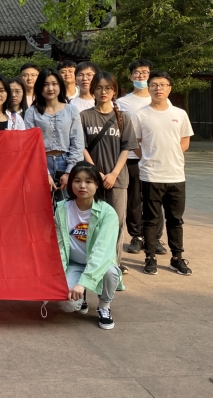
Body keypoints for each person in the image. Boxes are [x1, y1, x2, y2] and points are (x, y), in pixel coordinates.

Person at [133, 71, 194, 276]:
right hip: (151, 175)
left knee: (175, 219)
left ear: (170, 88)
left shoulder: (180, 114)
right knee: (151, 219)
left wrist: (171, 155)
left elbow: (185, 141)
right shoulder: (140, 115)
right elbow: (135, 143)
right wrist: (147, 158)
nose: (158, 88)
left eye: (163, 85)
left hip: (176, 174)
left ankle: (177, 258)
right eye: (154, 85)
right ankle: (150, 257)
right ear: (148, 88)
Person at [80, 72, 138, 272]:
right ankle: (93, 262)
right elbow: (82, 147)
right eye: (99, 87)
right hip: (91, 179)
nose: (103, 92)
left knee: (116, 222)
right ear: (93, 90)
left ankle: (113, 264)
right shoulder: (84, 116)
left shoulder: (123, 118)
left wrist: (113, 174)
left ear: (115, 91)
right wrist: (95, 172)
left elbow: (126, 148)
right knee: (91, 221)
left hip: (117, 179)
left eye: (108, 88)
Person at [53, 161, 120, 330]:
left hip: (100, 263)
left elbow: (102, 251)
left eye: (88, 181)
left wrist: (83, 283)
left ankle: (104, 306)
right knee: (67, 304)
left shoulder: (108, 213)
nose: (82, 186)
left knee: (110, 271)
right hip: (73, 263)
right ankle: (80, 299)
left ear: (97, 185)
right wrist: (55, 278)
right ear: (71, 184)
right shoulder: (62, 209)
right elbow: (58, 245)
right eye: (77, 181)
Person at [118, 59, 166, 256]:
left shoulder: (161, 99)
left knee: (154, 199)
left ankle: (154, 237)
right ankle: (136, 236)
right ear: (131, 77)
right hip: (131, 157)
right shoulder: (122, 103)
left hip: (154, 157)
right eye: (137, 73)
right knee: (134, 199)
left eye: (144, 73)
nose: (141, 76)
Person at [24, 67, 84, 198]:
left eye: (54, 84)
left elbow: (77, 143)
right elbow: (30, 146)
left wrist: (69, 172)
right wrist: (44, 173)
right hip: (40, 163)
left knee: (66, 206)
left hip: (67, 161)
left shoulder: (71, 110)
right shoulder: (31, 112)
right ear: (39, 87)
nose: (50, 88)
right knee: (40, 205)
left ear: (60, 86)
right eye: (45, 84)